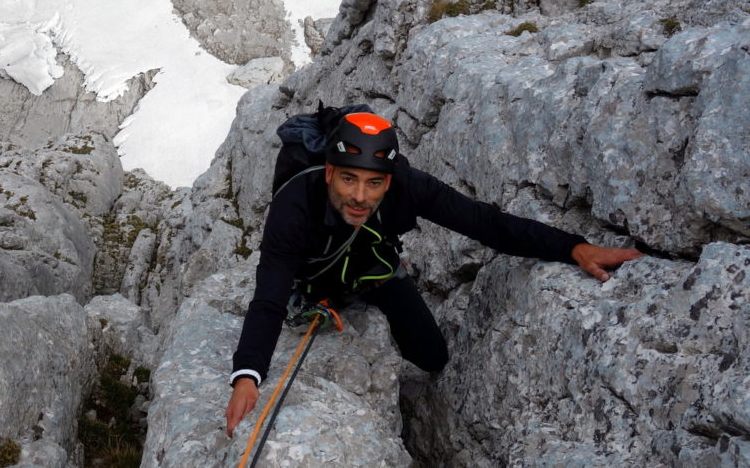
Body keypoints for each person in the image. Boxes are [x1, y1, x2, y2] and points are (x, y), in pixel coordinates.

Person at [224, 112, 641, 437]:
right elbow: (268, 299)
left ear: (388, 181)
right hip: (314, 278)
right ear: (330, 173)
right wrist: (247, 375)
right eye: (348, 179)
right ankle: (327, 295)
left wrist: (572, 247)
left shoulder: (409, 185)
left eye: (374, 183)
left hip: (374, 269)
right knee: (314, 288)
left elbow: (484, 223)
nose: (359, 196)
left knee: (432, 356)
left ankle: (363, 289)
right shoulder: (294, 206)